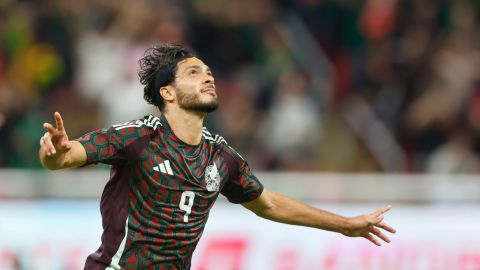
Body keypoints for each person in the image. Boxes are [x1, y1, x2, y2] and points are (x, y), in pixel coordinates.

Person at [39, 44, 396, 269]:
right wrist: (53, 153)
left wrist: (346, 225)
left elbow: (268, 203)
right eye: (194, 73)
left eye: (209, 73)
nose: (208, 78)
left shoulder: (221, 155)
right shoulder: (138, 136)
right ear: (168, 92)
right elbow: (67, 156)